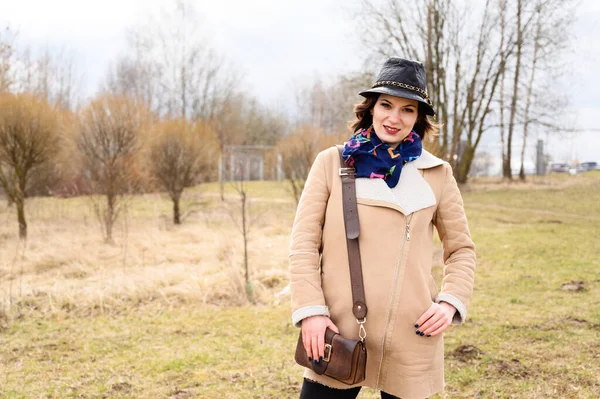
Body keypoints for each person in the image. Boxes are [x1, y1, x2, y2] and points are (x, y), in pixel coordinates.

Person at [288, 57, 476, 399]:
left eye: (408, 109)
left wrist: (450, 302)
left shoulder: (437, 173)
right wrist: (311, 312)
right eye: (386, 104)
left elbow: (461, 249)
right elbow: (303, 243)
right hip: (338, 329)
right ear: (371, 108)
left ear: (419, 118)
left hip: (412, 335)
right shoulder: (333, 163)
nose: (394, 118)